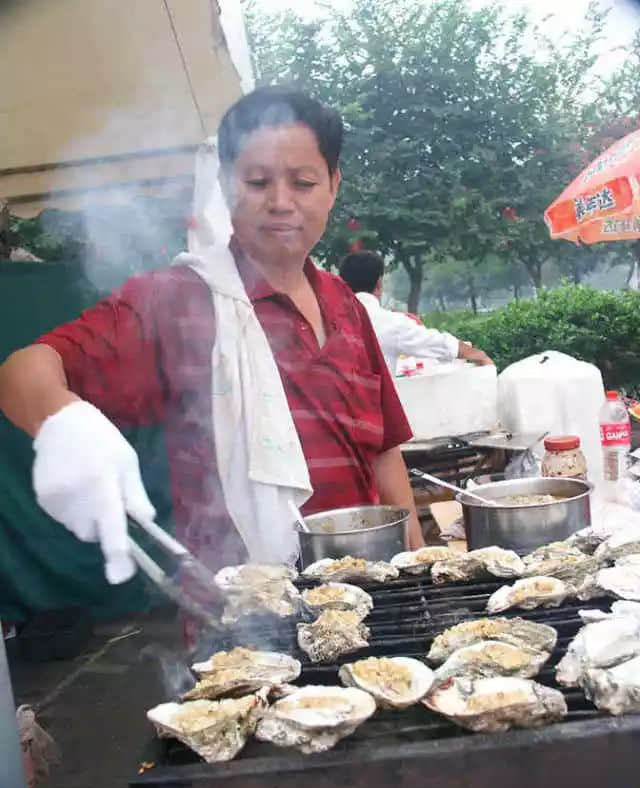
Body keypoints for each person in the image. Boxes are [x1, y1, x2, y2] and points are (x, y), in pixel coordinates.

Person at [0, 87, 424, 632]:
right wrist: (62, 422)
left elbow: (383, 451)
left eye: (303, 182)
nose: (280, 201)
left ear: (333, 185)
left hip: (369, 601)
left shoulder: (347, 306)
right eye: (257, 181)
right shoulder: (177, 301)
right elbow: (23, 371)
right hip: (242, 626)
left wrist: (413, 559)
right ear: (225, 185)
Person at [339, 251, 493, 374]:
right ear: (379, 283)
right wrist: (477, 355)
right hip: (371, 409)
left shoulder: (325, 319)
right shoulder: (390, 323)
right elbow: (439, 344)